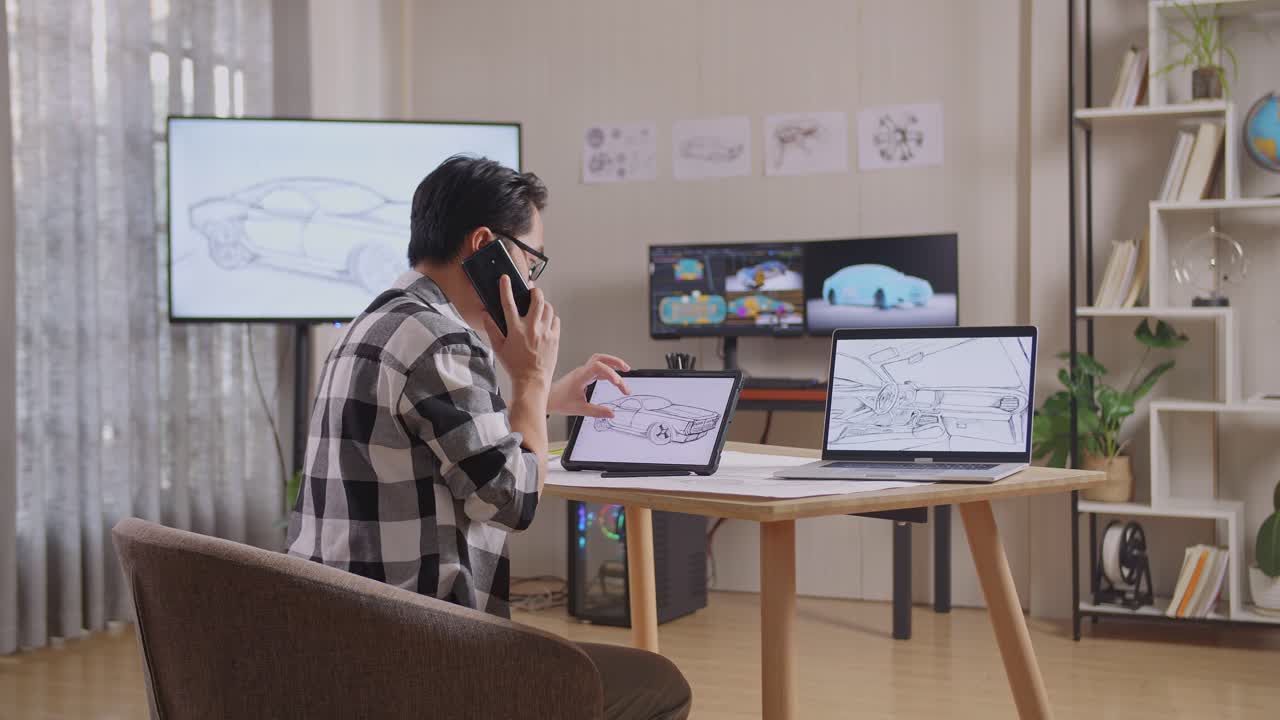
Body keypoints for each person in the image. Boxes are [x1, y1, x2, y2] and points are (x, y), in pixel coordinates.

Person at [286, 155, 691, 720]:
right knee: (658, 682)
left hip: (340, 646)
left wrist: (545, 396)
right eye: (532, 261)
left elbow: (432, 428)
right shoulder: (443, 341)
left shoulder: (376, 323)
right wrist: (530, 378)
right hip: (422, 659)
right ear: (485, 246)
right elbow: (512, 499)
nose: (531, 281)